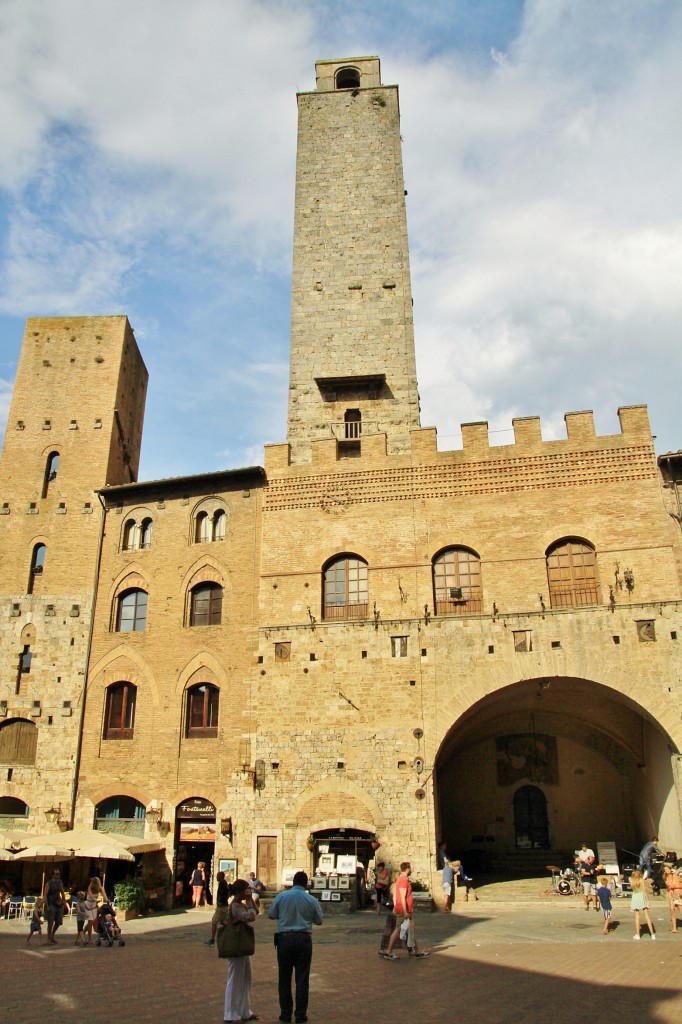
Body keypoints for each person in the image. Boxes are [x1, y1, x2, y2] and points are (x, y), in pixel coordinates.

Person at [268, 870, 323, 1024]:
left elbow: (271, 914)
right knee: (302, 978)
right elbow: (319, 921)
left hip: (285, 939)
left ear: (293, 883)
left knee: (284, 978)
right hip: (303, 939)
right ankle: (300, 1014)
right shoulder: (311, 899)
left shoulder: (282, 896)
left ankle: (285, 1014)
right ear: (306, 883)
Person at [222, 878, 259, 1022]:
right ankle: (230, 1013)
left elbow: (255, 911)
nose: (248, 891)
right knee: (235, 979)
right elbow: (251, 917)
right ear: (240, 891)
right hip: (236, 946)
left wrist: (251, 900)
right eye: (246, 889)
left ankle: (244, 1011)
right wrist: (249, 902)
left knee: (245, 979)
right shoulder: (235, 907)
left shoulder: (241, 904)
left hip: (242, 946)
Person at [382, 862, 429, 960]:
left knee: (411, 929)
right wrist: (405, 911)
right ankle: (389, 951)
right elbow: (402, 897)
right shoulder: (403, 880)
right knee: (398, 929)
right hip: (404, 910)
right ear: (407, 868)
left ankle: (417, 950)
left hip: (407, 909)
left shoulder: (402, 879)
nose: (412, 869)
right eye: (411, 867)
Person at [629, 868, 655, 940]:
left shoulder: (631, 880)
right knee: (647, 916)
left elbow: (631, 876)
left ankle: (638, 934)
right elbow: (644, 890)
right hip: (641, 896)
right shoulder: (641, 880)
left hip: (635, 896)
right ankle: (652, 934)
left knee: (637, 917)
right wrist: (648, 900)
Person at [205, 870, 229, 946]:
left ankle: (212, 939)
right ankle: (228, 937)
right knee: (224, 922)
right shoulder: (223, 883)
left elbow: (222, 894)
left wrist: (220, 902)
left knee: (214, 921)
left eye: (217, 876)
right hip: (224, 905)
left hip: (221, 906)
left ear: (221, 876)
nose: (216, 877)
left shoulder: (222, 884)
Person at [43, 868, 66, 944]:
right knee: (50, 922)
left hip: (58, 903)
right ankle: (48, 938)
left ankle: (52, 935)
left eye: (58, 874)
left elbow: (62, 892)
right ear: (53, 875)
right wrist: (47, 906)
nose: (58, 875)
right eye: (56, 874)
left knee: (58, 922)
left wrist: (64, 901)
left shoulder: (60, 882)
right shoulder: (49, 883)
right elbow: (45, 895)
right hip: (51, 904)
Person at [84, 876, 104, 942]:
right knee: (90, 921)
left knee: (92, 921)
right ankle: (90, 938)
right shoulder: (89, 887)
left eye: (93, 882)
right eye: (91, 882)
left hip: (94, 905)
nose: (91, 883)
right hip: (88, 904)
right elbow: (91, 895)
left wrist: (106, 899)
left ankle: (82, 933)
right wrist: (95, 900)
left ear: (96, 883)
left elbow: (103, 894)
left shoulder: (99, 888)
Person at [663, 865, 682, 933]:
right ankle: (674, 928)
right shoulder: (665, 878)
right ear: (664, 871)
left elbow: (680, 868)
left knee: (680, 909)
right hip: (671, 895)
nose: (667, 870)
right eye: (665, 869)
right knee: (672, 910)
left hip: (677, 894)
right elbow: (669, 887)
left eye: (668, 868)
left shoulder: (675, 875)